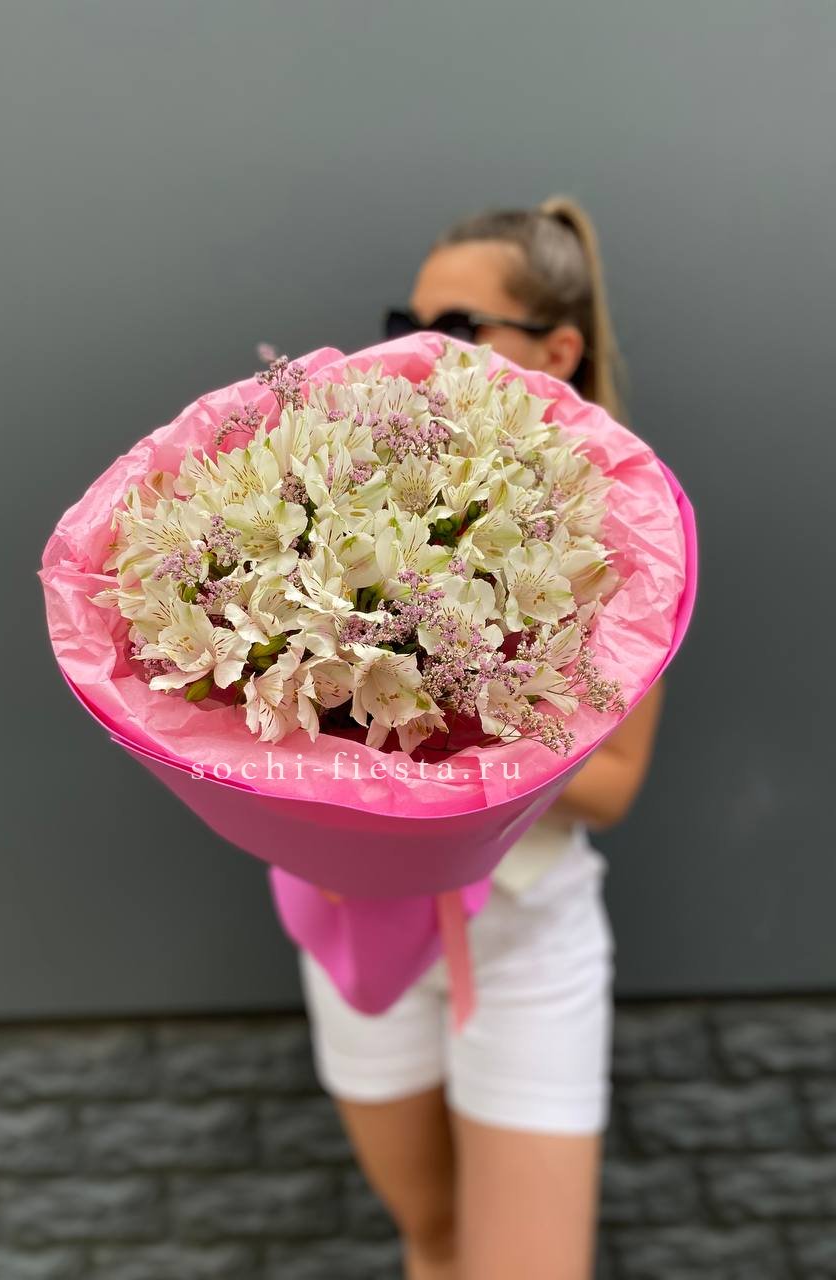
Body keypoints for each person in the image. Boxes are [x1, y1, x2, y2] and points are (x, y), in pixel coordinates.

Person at [297, 195, 666, 1280]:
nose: (421, 347)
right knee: (435, 1238)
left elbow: (615, 782)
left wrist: (458, 717)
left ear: (557, 351)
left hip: (525, 935)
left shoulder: (621, 522)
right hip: (362, 921)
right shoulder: (347, 486)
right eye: (407, 320)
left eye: (458, 326)